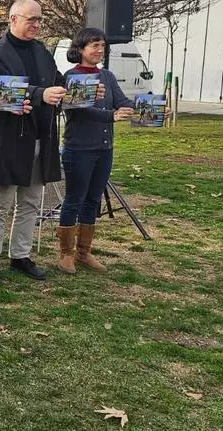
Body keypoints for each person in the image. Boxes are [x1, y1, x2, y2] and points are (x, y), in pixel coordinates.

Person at [0, 0, 67, 282]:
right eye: (32, 20)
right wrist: (39, 93)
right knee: (1, 201)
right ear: (13, 19)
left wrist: (72, 90)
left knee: (30, 201)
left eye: (39, 19)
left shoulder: (42, 50)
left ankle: (20, 255)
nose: (37, 25)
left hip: (41, 134)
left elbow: (57, 80)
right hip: (11, 137)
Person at [56, 28, 141, 273]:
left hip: (104, 149)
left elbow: (123, 102)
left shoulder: (108, 76)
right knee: (74, 199)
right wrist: (110, 116)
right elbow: (78, 110)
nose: (99, 50)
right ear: (80, 49)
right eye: (94, 46)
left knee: (93, 200)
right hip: (79, 148)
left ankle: (84, 252)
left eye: (102, 46)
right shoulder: (71, 77)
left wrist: (152, 110)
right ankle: (66, 254)